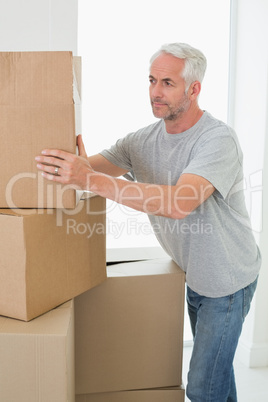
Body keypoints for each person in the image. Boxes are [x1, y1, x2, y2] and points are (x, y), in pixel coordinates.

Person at [36, 42, 261, 401]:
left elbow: (179, 203)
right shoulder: (142, 141)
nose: (156, 92)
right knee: (216, 375)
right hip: (196, 274)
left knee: (203, 384)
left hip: (227, 279)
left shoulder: (217, 140)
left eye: (168, 83)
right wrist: (66, 162)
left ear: (194, 89)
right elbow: (89, 168)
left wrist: (89, 179)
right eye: (152, 80)